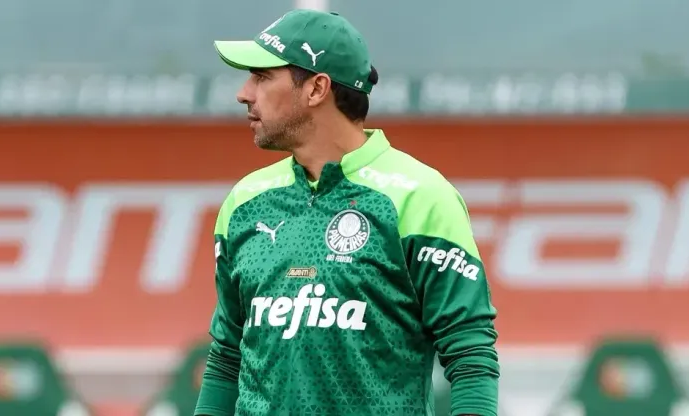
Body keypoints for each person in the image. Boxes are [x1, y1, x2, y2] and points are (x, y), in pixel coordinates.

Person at [195, 9, 499, 416]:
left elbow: (470, 357)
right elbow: (226, 358)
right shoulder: (244, 202)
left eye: (263, 76)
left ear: (317, 88)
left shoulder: (421, 198)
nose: (244, 93)